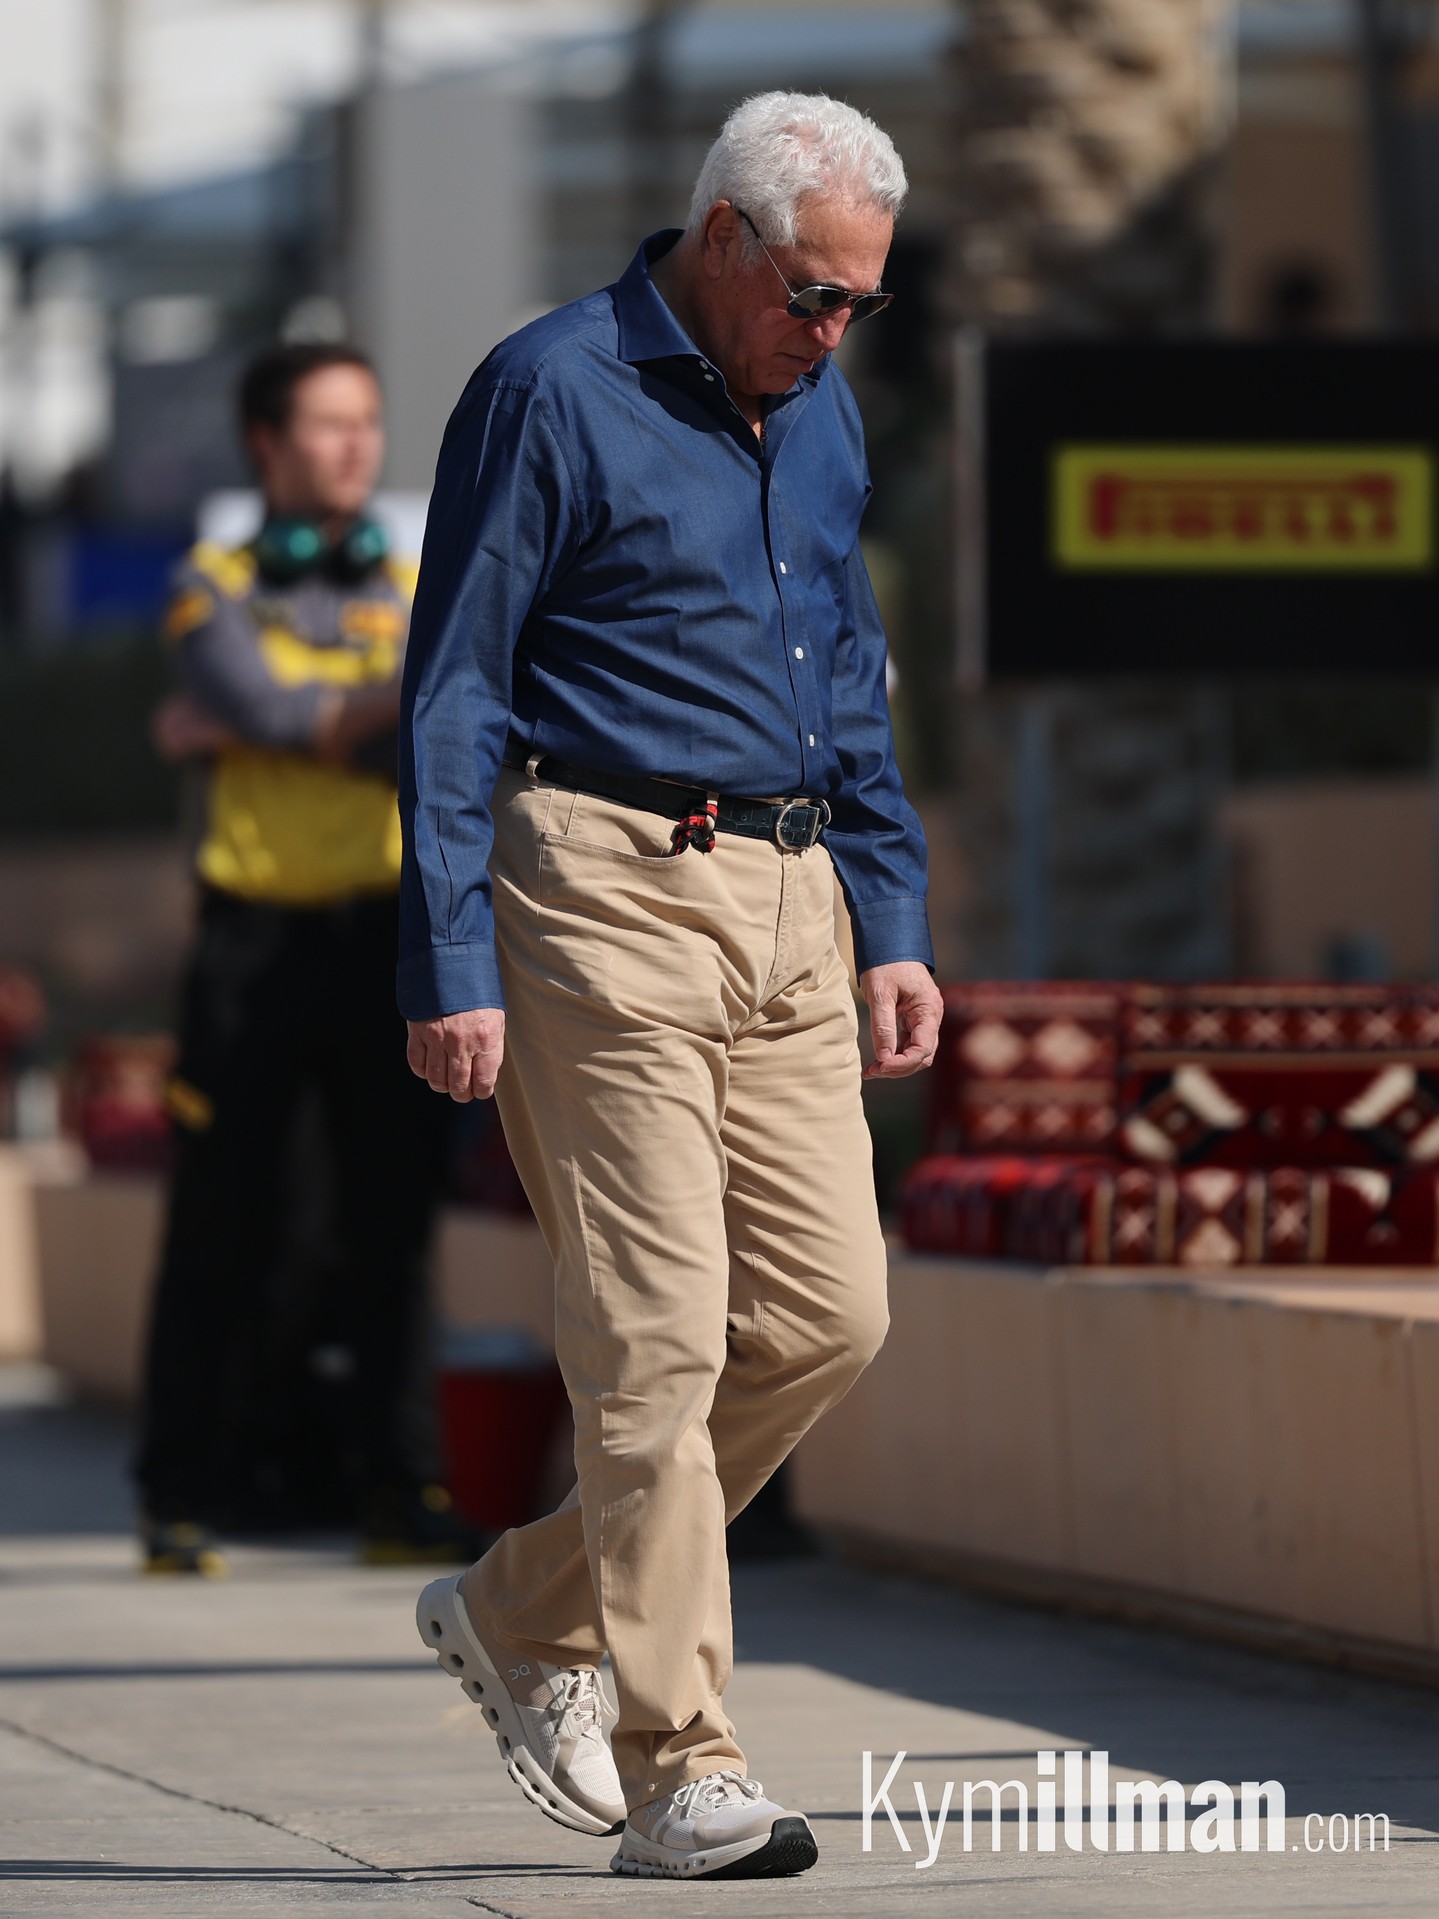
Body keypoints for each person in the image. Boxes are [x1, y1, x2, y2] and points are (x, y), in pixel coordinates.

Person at [403, 92, 943, 1881]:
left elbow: (844, 669)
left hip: (792, 894)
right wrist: (451, 952)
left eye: (860, 300)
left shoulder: (821, 408)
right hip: (598, 884)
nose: (832, 329)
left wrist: (888, 914)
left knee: (827, 1316)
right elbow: (454, 683)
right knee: (654, 1335)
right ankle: (679, 1762)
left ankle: (520, 1602)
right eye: (811, 292)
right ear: (722, 238)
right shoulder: (548, 388)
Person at [136, 341, 476, 1575]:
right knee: (221, 1218)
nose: (353, 445)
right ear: (266, 445)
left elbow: (456, 717)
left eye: (366, 422)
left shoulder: (416, 580)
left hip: (384, 936)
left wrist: (283, 725)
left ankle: (399, 1485)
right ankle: (180, 1491)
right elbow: (277, 711)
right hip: (254, 943)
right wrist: (383, 703)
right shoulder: (211, 582)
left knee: (391, 1226)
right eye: (327, 424)